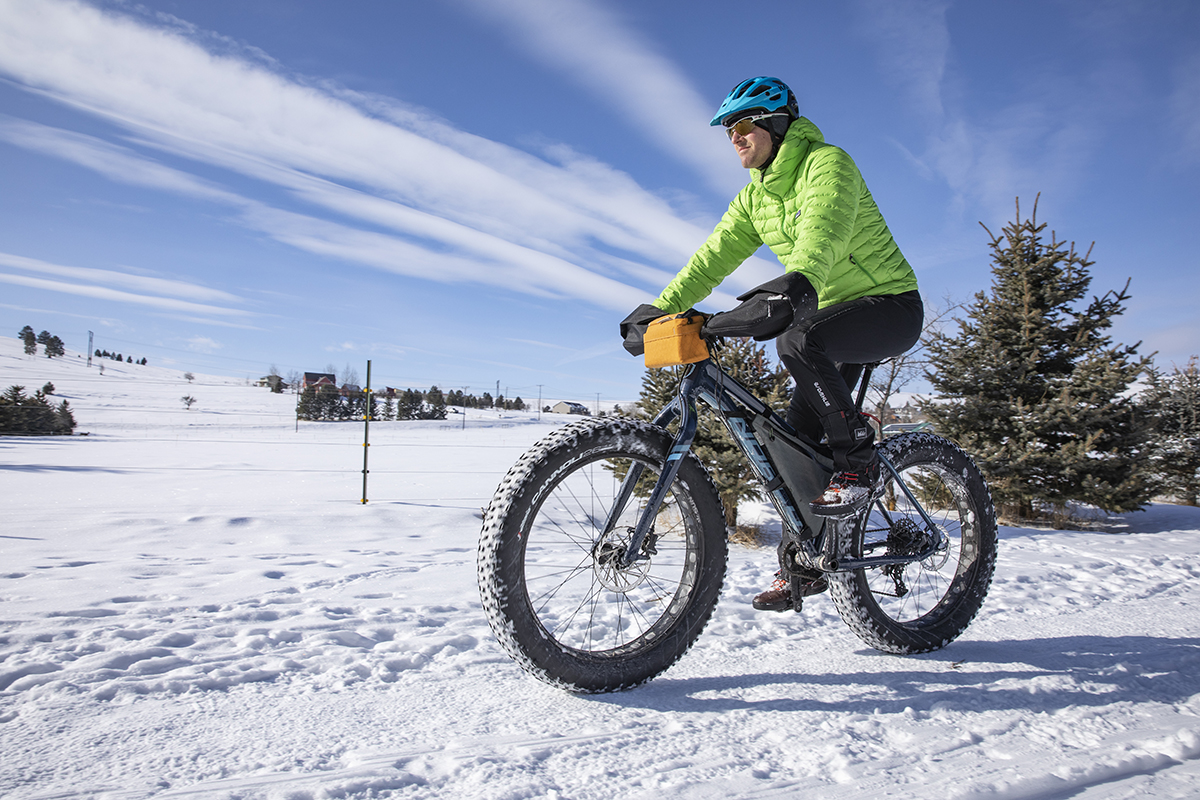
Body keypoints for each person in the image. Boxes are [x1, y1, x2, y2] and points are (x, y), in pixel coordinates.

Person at [620, 76, 923, 612]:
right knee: (794, 445)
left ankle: (855, 461)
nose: (733, 138)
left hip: (888, 305)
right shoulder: (755, 198)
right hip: (828, 312)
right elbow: (710, 258)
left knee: (796, 340)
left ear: (776, 124)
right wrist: (663, 309)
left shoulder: (828, 164)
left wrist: (797, 283)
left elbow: (822, 234)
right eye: (727, 131)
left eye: (742, 126)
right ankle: (803, 565)